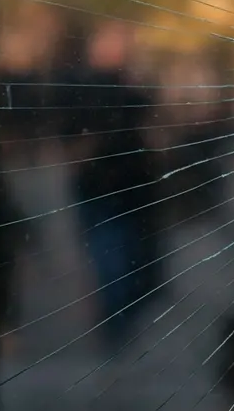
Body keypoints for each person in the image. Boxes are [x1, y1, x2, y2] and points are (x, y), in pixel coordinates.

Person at [58, 22, 163, 353]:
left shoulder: (133, 88)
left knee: (124, 255)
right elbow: (69, 140)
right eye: (113, 41)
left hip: (130, 186)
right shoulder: (80, 86)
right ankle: (114, 321)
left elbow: (155, 129)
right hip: (99, 186)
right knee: (110, 255)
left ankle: (118, 318)